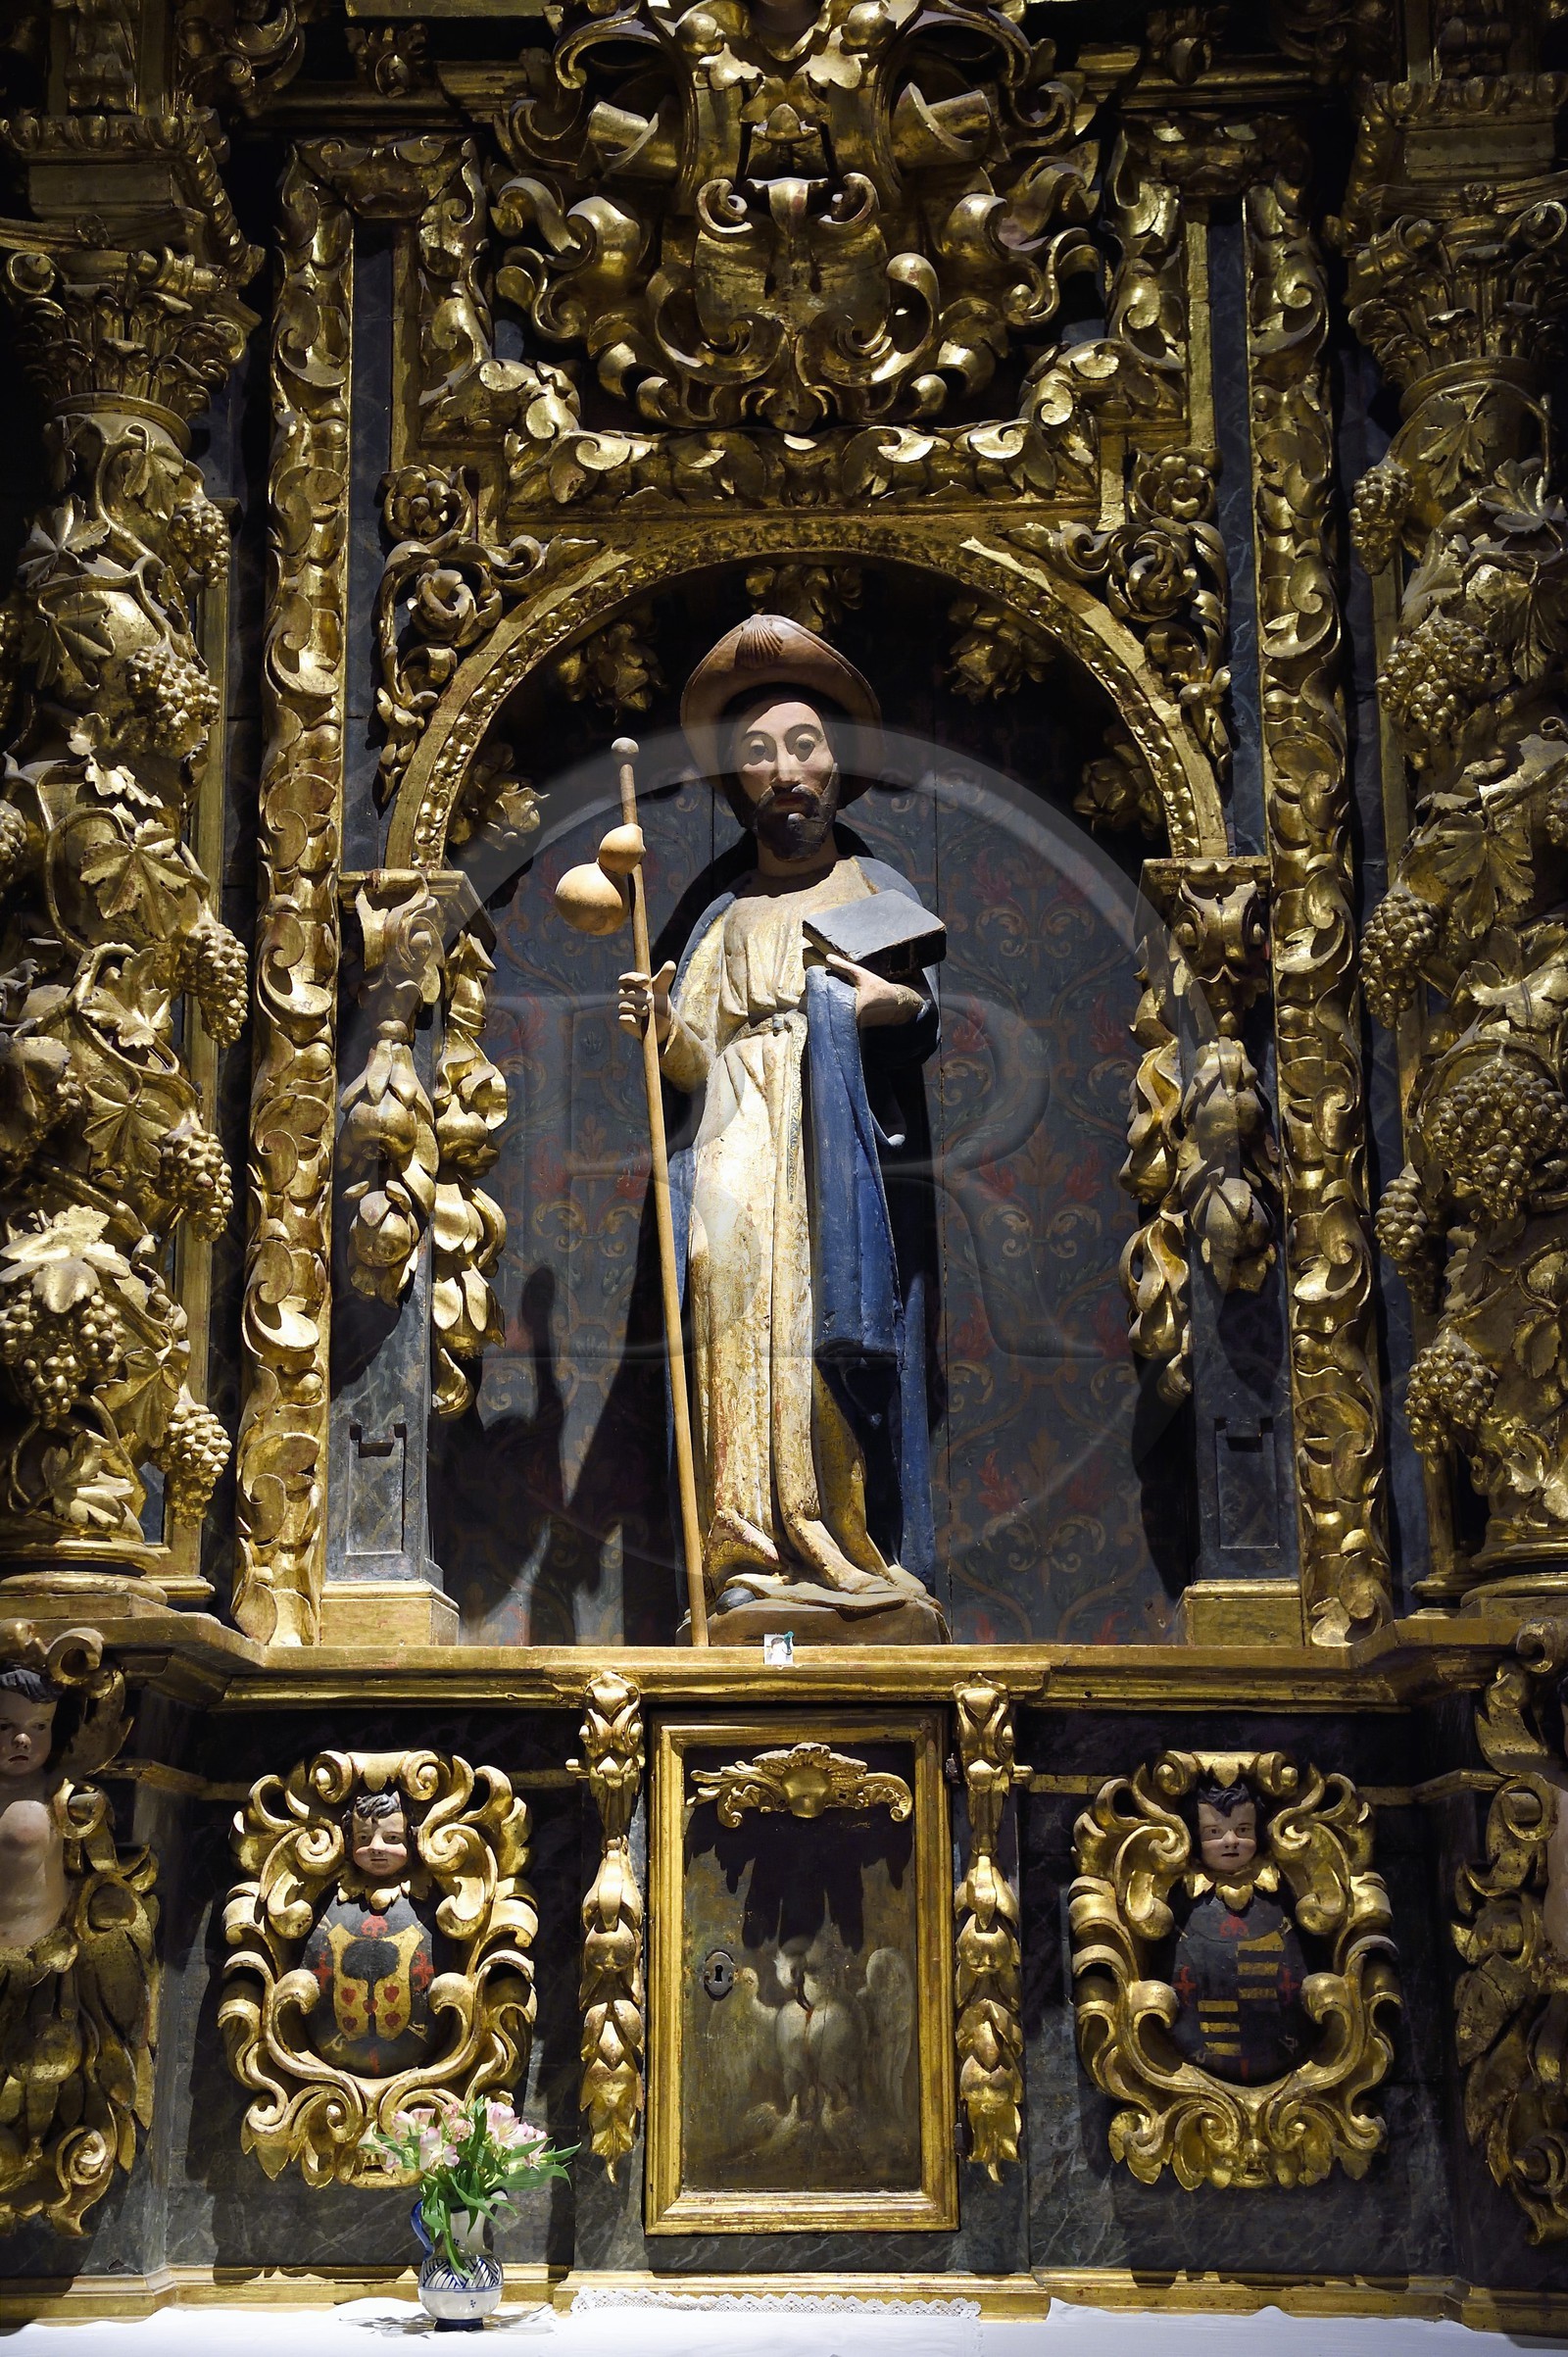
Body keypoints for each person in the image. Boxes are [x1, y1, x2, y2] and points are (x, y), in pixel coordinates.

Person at [617, 614, 945, 1643]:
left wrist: (882, 1006)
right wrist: (663, 1021)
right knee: (731, 1309)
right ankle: (746, 1548)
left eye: (802, 746)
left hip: (832, 1146)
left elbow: (916, 1007)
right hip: (734, 1141)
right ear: (739, 784)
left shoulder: (874, 889)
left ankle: (838, 1537)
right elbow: (691, 1058)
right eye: (758, 755)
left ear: (834, 763)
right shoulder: (722, 914)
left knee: (821, 1326)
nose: (783, 770)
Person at [1169, 1775, 1310, 2085]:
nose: (1231, 1841)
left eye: (1243, 1830)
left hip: (1280, 2047)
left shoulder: (1283, 1891)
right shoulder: (1183, 1895)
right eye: (1214, 1832)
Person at [0, 1663, 68, 1950]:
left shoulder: (59, 1793)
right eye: (4, 1726)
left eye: (39, 1726)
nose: (22, 1740)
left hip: (45, 1949)